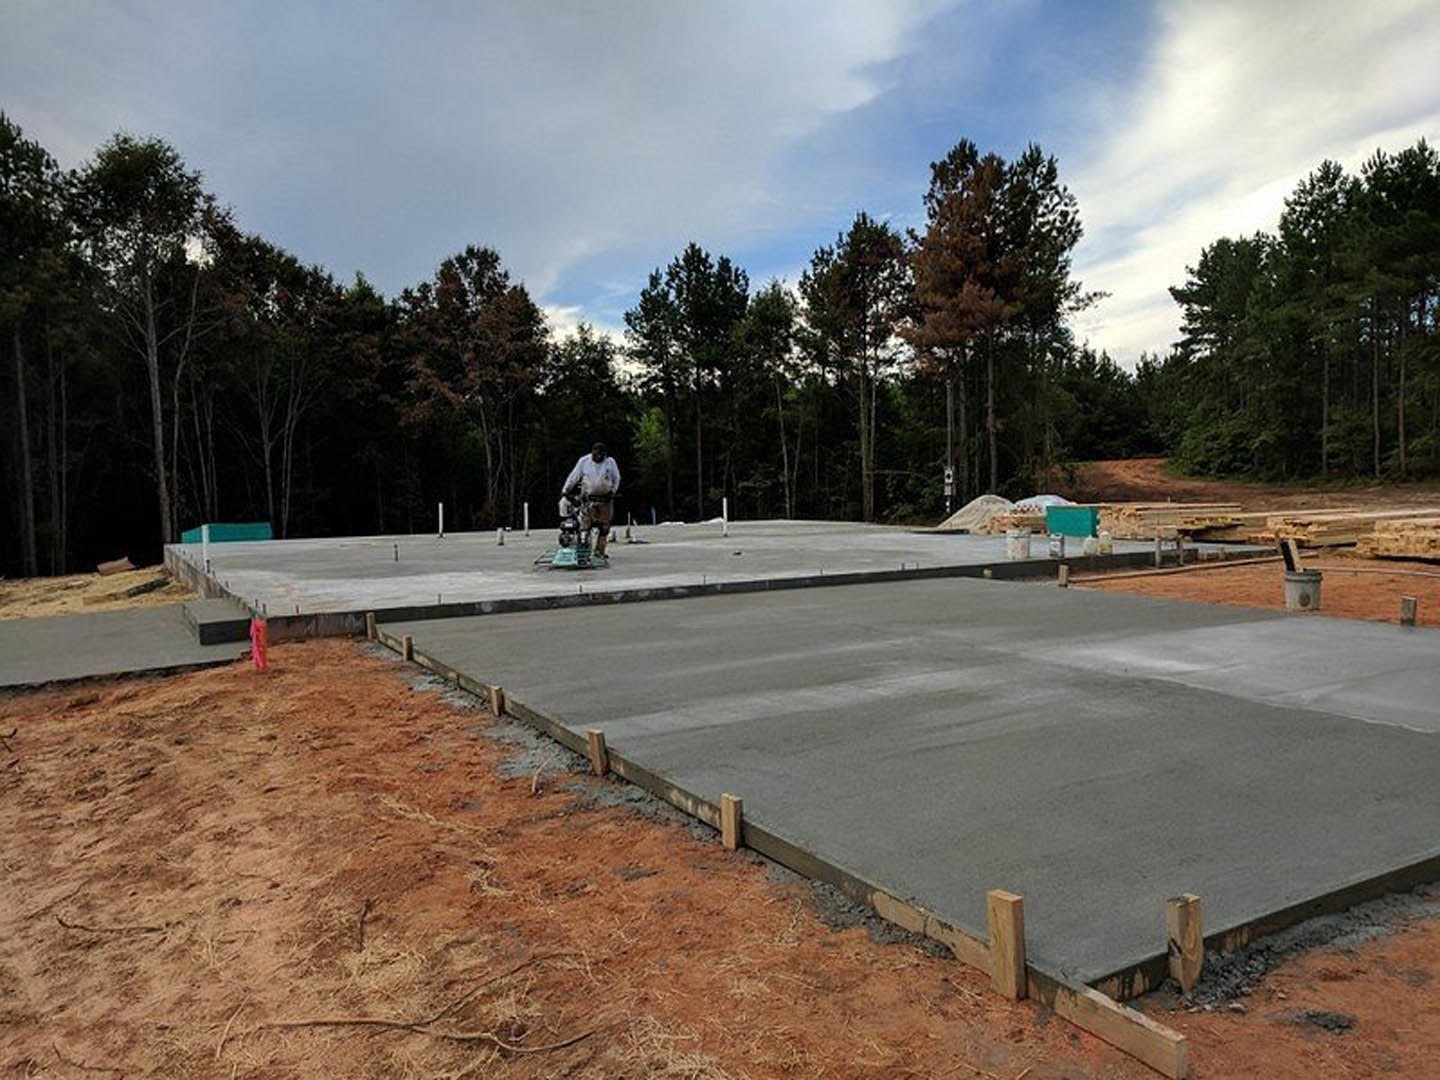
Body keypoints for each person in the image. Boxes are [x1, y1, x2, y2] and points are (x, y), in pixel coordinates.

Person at [562, 442, 621, 556]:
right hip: (588, 499)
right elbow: (573, 477)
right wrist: (566, 490)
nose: (599, 457)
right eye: (596, 454)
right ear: (592, 452)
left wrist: (613, 491)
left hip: (605, 499)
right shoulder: (584, 461)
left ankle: (600, 551)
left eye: (601, 455)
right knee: (585, 526)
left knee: (604, 527)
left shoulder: (610, 462)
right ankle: (585, 551)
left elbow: (616, 478)